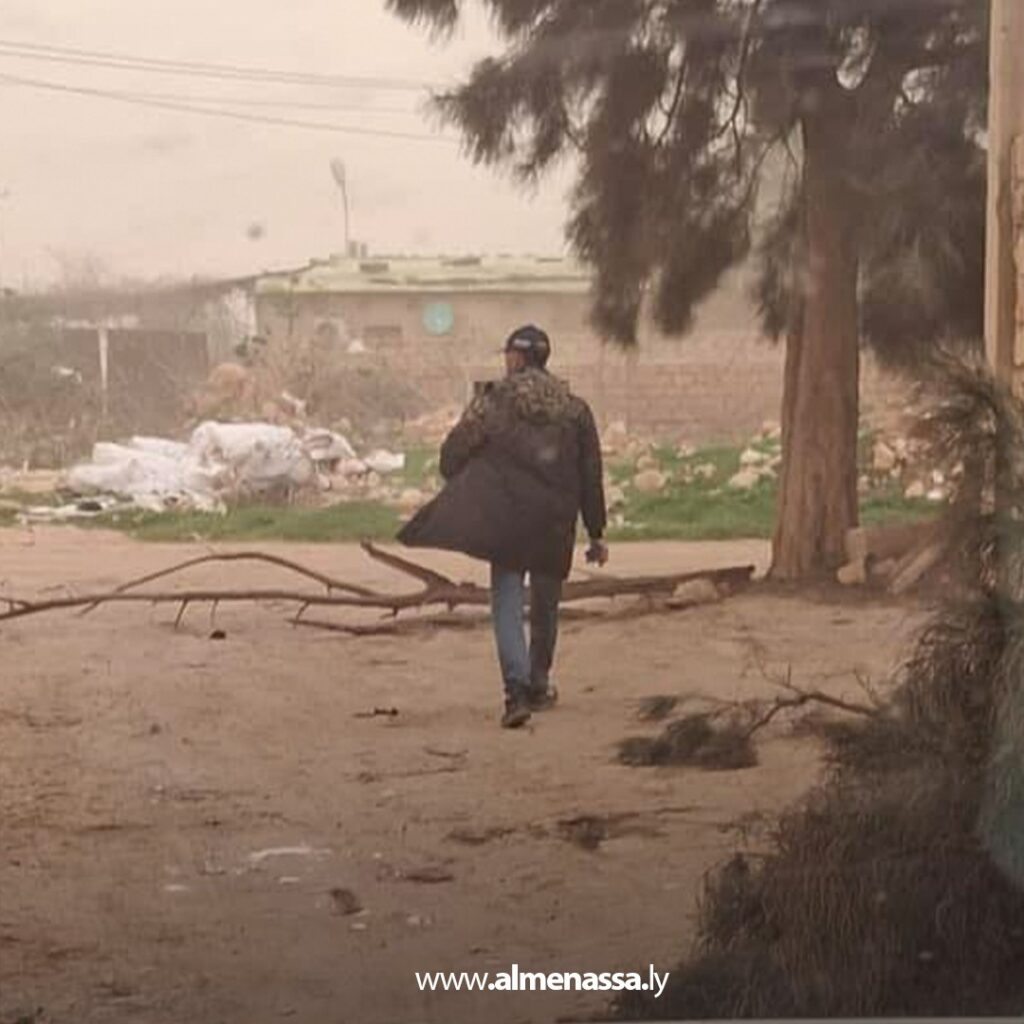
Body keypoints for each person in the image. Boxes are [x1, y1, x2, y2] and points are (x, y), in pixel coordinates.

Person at [398, 324, 608, 728]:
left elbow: (452, 454)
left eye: (508, 354)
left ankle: (515, 692)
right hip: (554, 523)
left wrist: (468, 480)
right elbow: (590, 475)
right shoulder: (575, 410)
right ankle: (539, 683)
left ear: (517, 357)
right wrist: (596, 532)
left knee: (508, 605)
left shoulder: (492, 402)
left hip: (507, 521)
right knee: (546, 606)